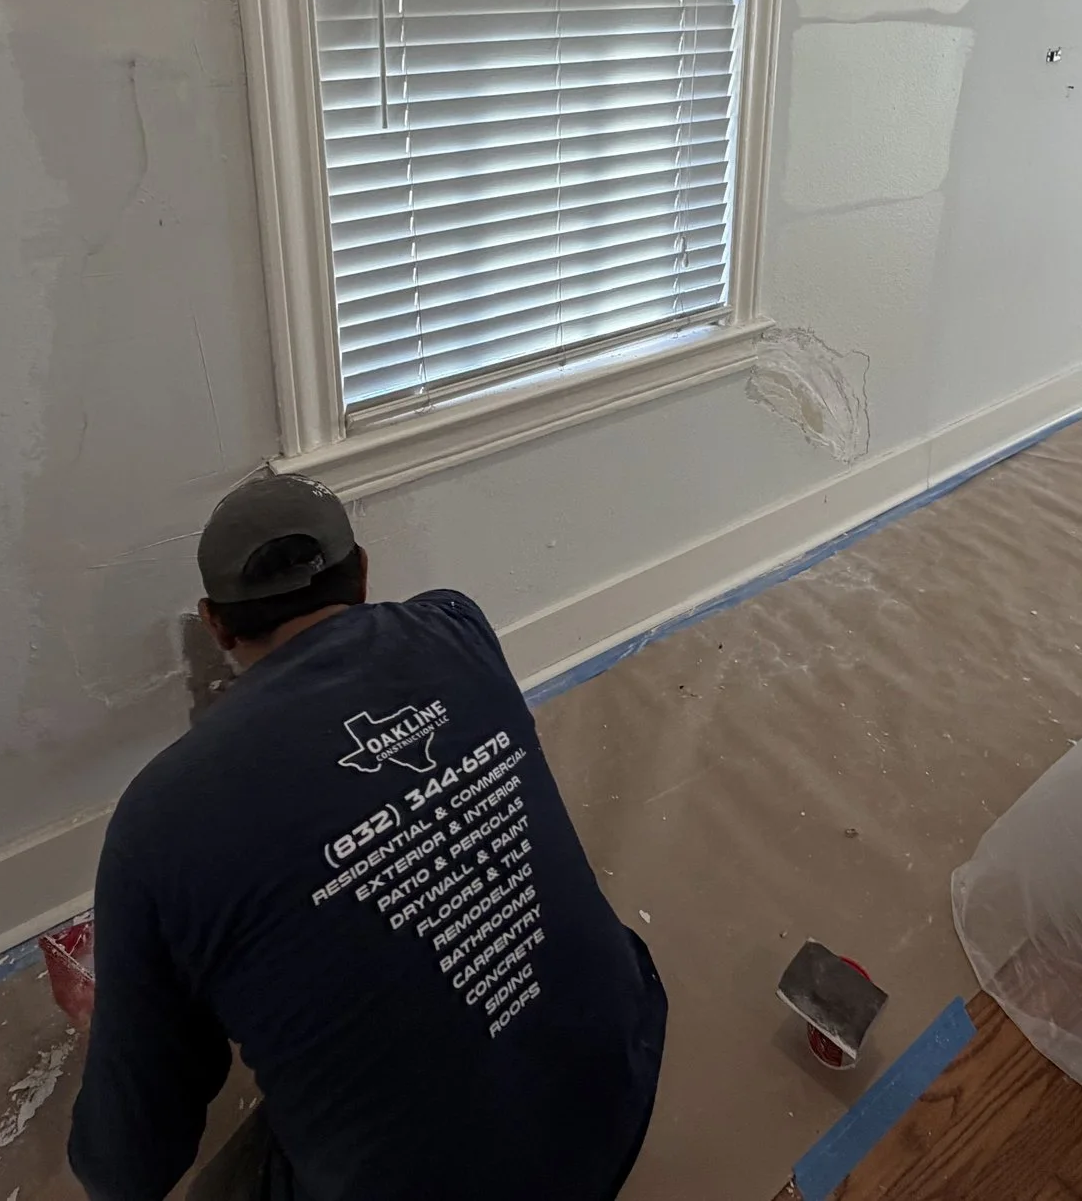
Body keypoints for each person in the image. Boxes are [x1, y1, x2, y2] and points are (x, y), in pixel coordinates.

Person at [67, 473, 666, 1201]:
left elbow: (126, 1169)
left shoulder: (156, 819)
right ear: (364, 572)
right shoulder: (455, 625)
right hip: (619, 1079)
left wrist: (125, 1023)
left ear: (215, 623)